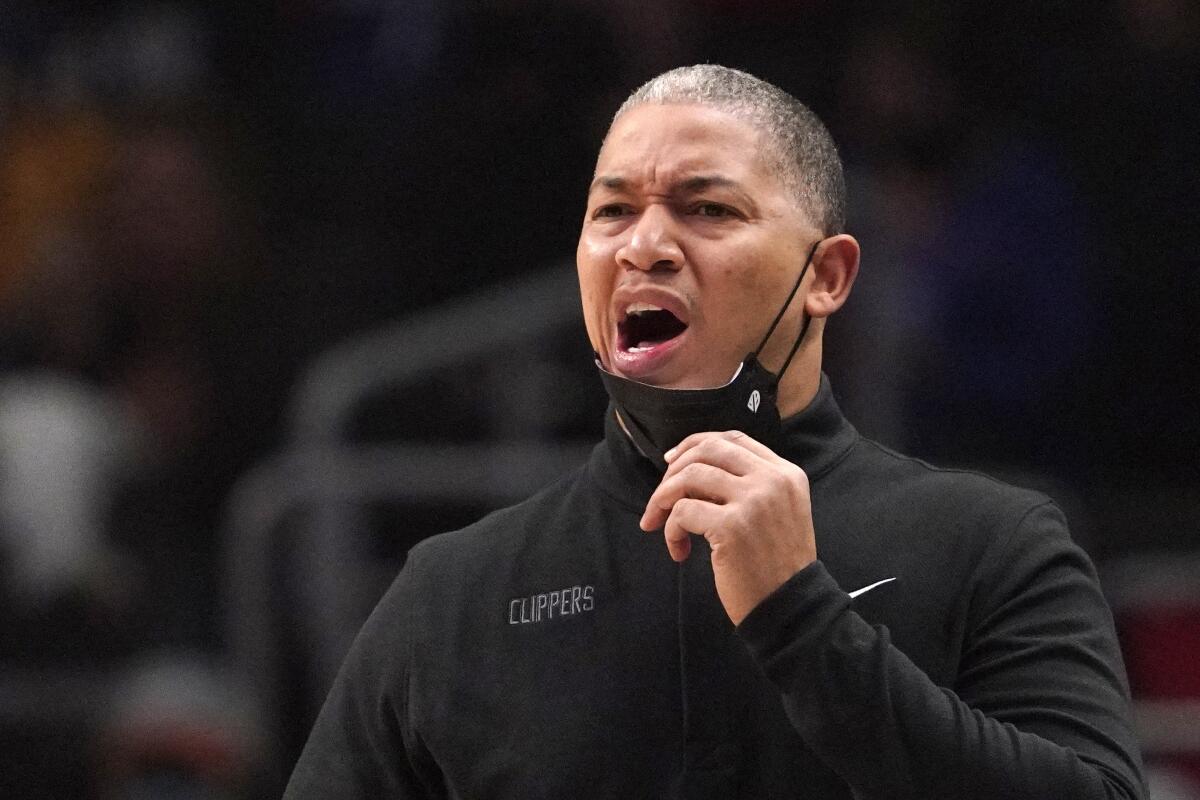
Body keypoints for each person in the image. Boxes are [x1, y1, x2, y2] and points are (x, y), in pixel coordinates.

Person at [284, 65, 1145, 799]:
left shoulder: (992, 545)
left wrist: (802, 621)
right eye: (612, 212)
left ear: (827, 275)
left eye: (708, 211)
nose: (644, 246)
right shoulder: (455, 590)